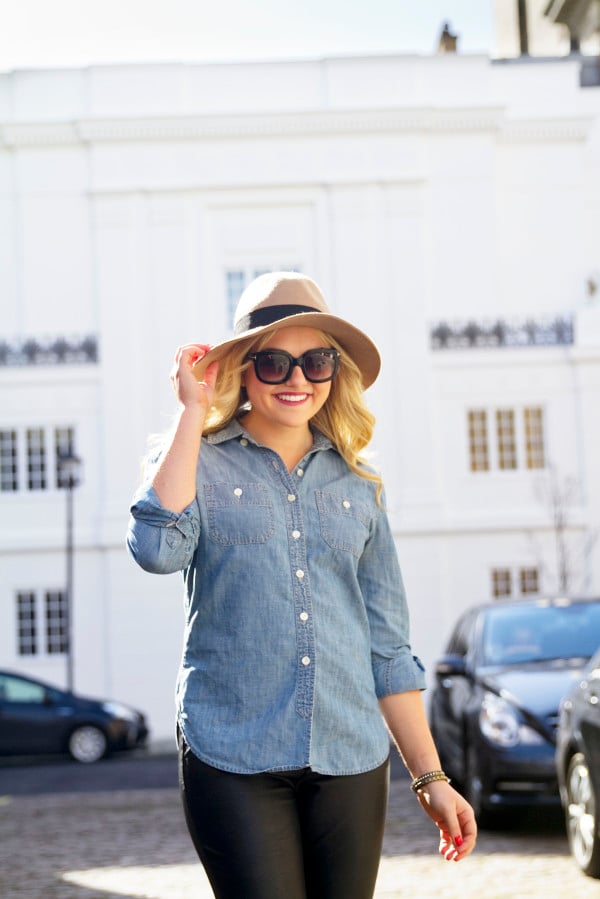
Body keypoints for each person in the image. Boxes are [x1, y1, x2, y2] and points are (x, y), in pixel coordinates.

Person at [127, 271, 477, 899]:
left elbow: (387, 648)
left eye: (315, 362)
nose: (297, 380)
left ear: (334, 373)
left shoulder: (358, 486)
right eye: (274, 363)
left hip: (349, 755)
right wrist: (192, 411)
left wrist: (431, 778)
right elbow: (156, 550)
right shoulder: (194, 461)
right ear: (241, 369)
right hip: (231, 752)